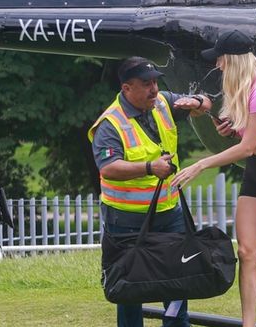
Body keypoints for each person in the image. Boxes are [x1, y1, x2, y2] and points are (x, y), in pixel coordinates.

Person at [170, 30, 256, 327]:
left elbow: (247, 147)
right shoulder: (242, 87)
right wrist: (232, 127)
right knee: (246, 252)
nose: (217, 65)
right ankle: (248, 324)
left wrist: (201, 165)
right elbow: (247, 137)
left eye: (220, 59)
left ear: (232, 59)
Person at [88, 56, 212, 327]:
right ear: (126, 88)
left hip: (169, 212)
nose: (154, 89)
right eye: (146, 84)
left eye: (155, 82)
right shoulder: (110, 123)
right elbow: (108, 167)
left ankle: (176, 325)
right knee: (130, 287)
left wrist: (199, 103)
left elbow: (205, 101)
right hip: (127, 218)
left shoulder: (163, 102)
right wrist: (148, 167)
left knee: (178, 277)